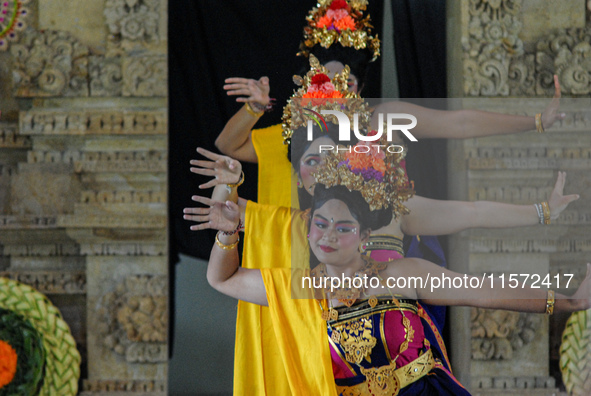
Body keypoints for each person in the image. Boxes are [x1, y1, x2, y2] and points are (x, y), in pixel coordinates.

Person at [186, 151, 591, 395]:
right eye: (321, 225)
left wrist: (569, 301)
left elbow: (481, 291)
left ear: (363, 235)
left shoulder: (400, 274)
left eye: (342, 227)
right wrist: (227, 235)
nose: (328, 236)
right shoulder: (299, 287)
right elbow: (222, 280)